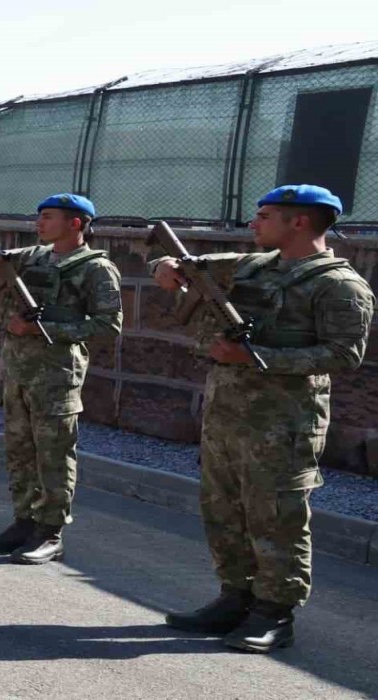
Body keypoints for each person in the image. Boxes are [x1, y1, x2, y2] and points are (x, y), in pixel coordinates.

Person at [154, 185, 373, 653]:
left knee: (277, 517)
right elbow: (183, 268)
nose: (254, 223)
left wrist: (257, 357)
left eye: (266, 215)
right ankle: (235, 598)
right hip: (226, 414)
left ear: (299, 222)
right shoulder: (252, 264)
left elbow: (344, 354)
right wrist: (166, 269)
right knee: (223, 510)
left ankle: (275, 613)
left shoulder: (339, 284)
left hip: (283, 423)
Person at [0, 194, 123, 565]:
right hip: (18, 370)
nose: (39, 223)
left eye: (48, 217)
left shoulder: (96, 269)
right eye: (38, 216)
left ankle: (50, 531)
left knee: (53, 454)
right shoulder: (33, 256)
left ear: (76, 223)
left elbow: (108, 327)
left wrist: (44, 329)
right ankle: (23, 522)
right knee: (20, 451)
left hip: (56, 375)